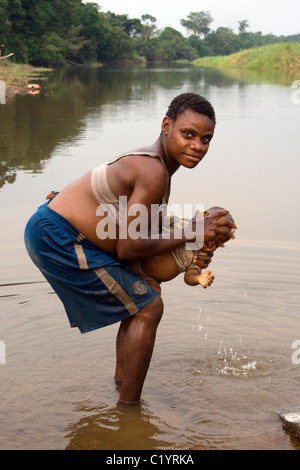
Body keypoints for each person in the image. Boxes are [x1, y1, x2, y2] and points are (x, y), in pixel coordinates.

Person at [24, 93, 237, 405]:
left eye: (206, 139)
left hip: (63, 231)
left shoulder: (157, 169)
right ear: (167, 126)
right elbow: (128, 247)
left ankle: (122, 385)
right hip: (59, 237)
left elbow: (132, 231)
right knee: (149, 306)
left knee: (146, 294)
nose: (198, 146)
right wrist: (192, 231)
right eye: (188, 134)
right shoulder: (154, 172)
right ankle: (129, 411)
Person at [136, 206, 236, 288]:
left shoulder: (201, 256)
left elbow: (189, 277)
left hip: (149, 281)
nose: (212, 241)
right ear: (203, 221)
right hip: (135, 261)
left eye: (219, 241)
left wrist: (198, 278)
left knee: (154, 303)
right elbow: (156, 222)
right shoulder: (183, 225)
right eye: (213, 233)